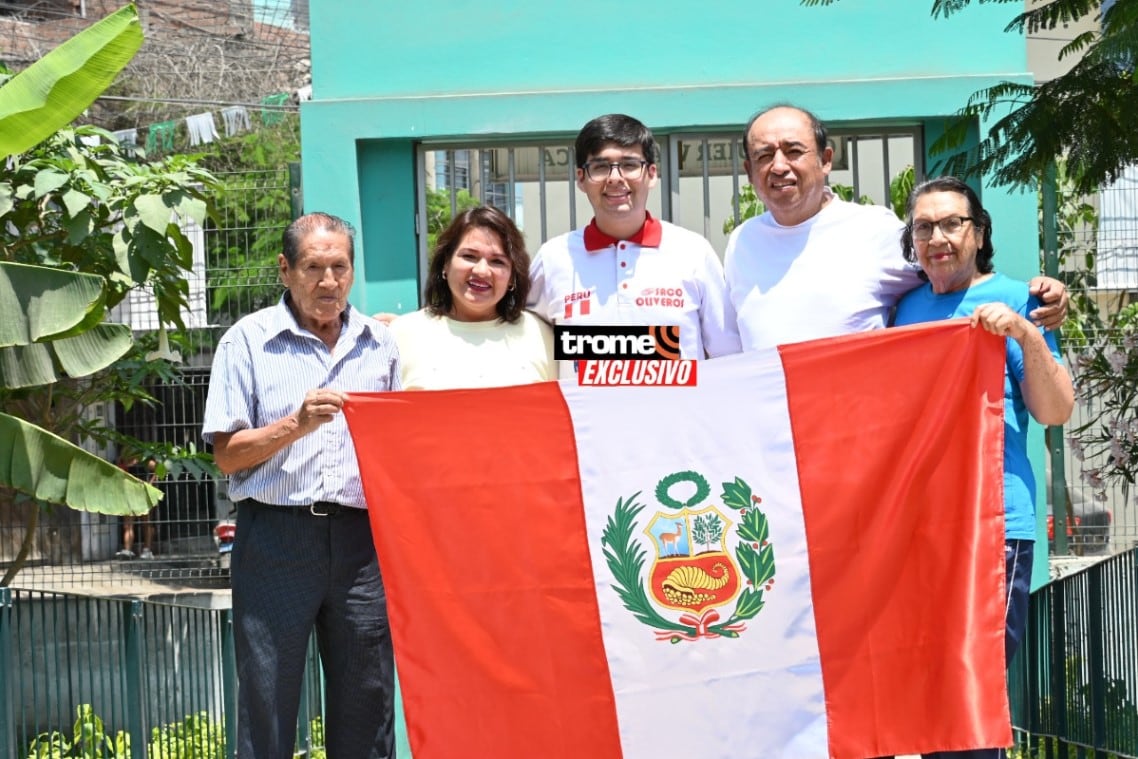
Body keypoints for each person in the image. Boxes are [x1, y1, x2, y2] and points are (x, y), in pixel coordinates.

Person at [883, 177, 1074, 759]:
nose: (937, 238)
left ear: (980, 233)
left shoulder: (1020, 298)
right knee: (926, 696)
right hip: (917, 532)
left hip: (995, 528)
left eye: (952, 223)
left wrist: (1023, 331)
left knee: (970, 691)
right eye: (924, 227)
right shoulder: (903, 308)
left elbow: (1056, 409)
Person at [201, 211, 400, 759]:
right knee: (267, 699)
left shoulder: (382, 344)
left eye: (340, 267)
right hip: (276, 539)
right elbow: (226, 455)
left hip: (362, 545)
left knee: (368, 700)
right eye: (313, 267)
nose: (328, 282)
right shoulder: (247, 342)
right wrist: (297, 423)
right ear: (285, 270)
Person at [723, 104, 1069, 351]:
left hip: (858, 428)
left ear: (825, 160)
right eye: (764, 155)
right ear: (749, 170)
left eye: (793, 151)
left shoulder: (872, 229)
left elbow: (956, 275)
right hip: (771, 429)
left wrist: (1033, 296)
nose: (779, 166)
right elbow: (726, 351)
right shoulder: (742, 242)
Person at [528, 113, 741, 377]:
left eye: (629, 164)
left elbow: (727, 355)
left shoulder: (693, 252)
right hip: (581, 407)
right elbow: (526, 349)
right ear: (581, 179)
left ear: (651, 174)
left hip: (682, 406)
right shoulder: (553, 259)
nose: (615, 178)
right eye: (600, 166)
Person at [390, 205, 555, 388]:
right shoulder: (401, 334)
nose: (481, 271)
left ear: (512, 277)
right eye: (469, 256)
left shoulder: (543, 334)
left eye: (497, 261)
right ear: (446, 263)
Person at [115, 451, 156, 560]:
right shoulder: (123, 460)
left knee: (146, 523)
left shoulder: (144, 460)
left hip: (144, 494)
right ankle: (127, 549)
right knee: (128, 524)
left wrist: (151, 484)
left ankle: (147, 550)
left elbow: (158, 470)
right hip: (130, 495)